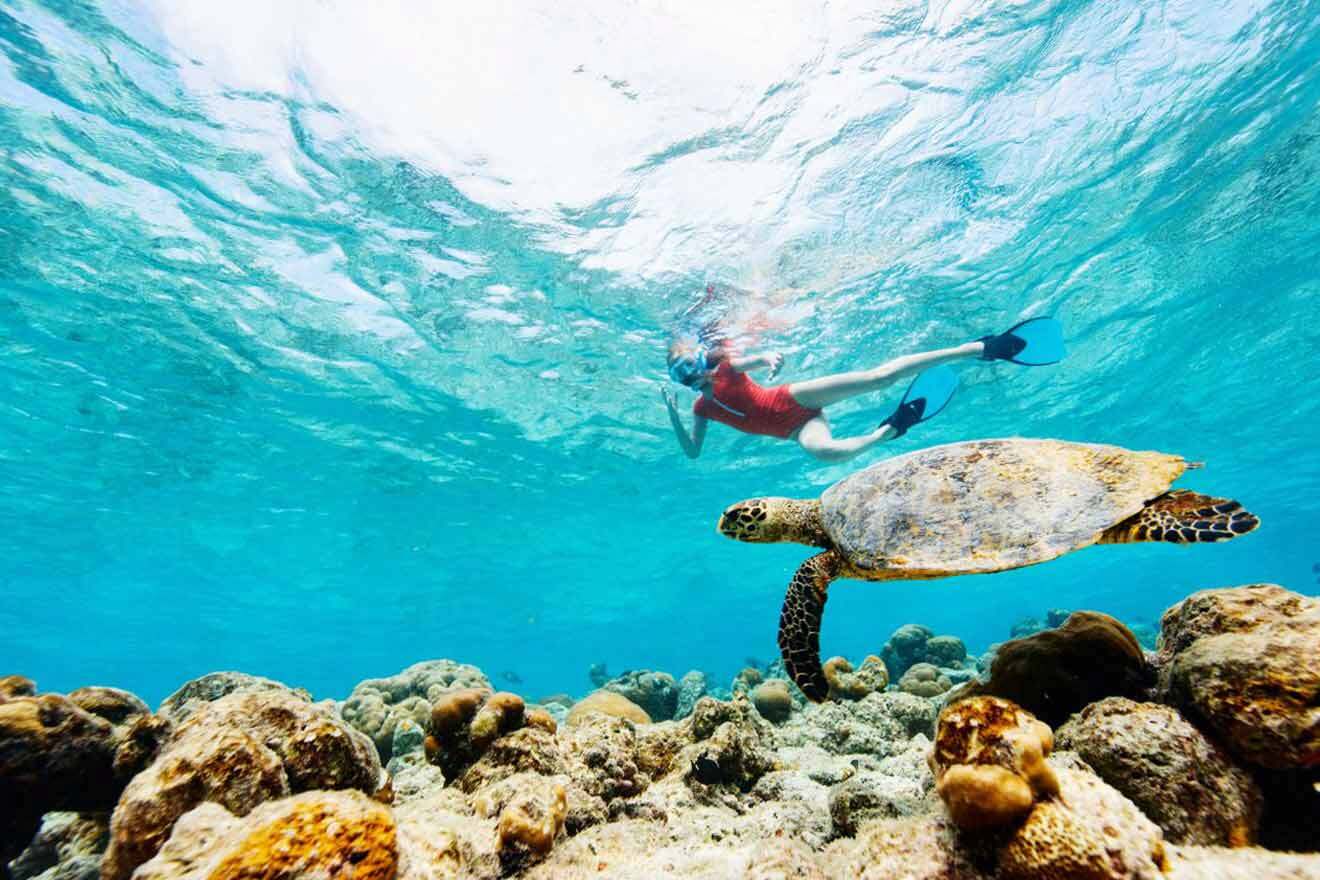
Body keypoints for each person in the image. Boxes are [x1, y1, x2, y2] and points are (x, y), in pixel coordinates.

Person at [661, 317, 1063, 462]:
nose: (697, 380)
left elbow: (758, 360)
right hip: (796, 430)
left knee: (879, 378)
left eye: (695, 370)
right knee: (826, 453)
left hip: (794, 398)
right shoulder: (700, 410)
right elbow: (693, 452)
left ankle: (979, 348)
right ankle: (889, 429)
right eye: (687, 379)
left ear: (703, 363)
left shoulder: (728, 369)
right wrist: (675, 417)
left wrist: (769, 360)